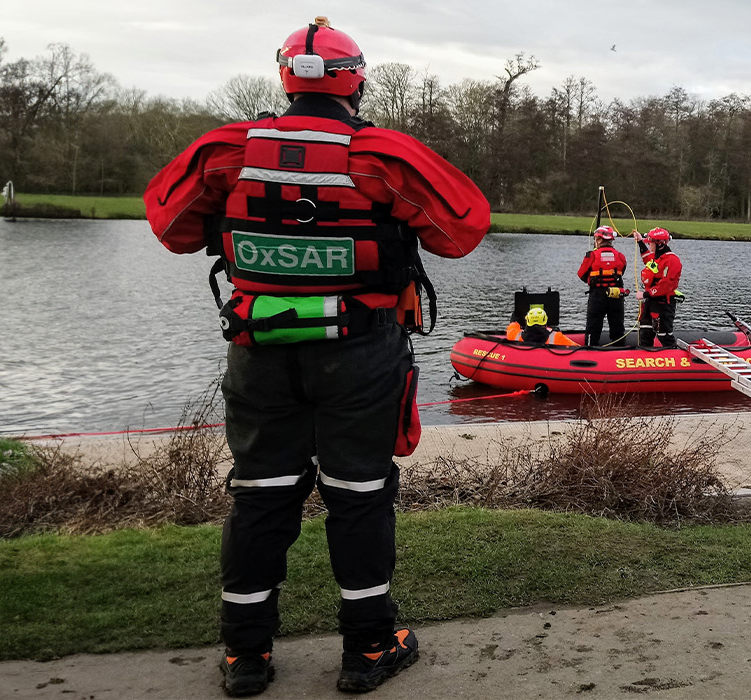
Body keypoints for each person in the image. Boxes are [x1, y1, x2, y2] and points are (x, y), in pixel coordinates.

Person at [142, 18, 490, 697]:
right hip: (359, 352)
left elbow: (174, 228)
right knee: (359, 495)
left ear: (284, 79)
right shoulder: (383, 156)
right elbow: (461, 231)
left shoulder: (225, 151)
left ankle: (245, 655)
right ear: (356, 81)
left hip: (258, 350)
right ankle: (368, 647)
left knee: (260, 494)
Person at [577, 225, 628, 345]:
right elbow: (622, 271)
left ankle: (590, 348)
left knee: (593, 325)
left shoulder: (591, 255)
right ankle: (620, 349)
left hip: (597, 295)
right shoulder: (620, 256)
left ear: (599, 240)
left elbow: (581, 274)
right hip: (616, 295)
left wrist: (593, 280)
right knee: (617, 325)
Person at [633, 227, 682, 347]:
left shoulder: (672, 261)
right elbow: (647, 259)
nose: (649, 245)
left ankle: (672, 353)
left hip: (663, 304)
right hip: (650, 302)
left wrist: (645, 294)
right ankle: (644, 353)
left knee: (664, 335)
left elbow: (665, 285)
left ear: (659, 244)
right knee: (645, 331)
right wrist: (640, 241)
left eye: (650, 243)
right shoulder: (657, 258)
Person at [505, 307, 578, 346]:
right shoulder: (556, 337)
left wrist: (514, 321)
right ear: (545, 321)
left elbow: (512, 328)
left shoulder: (515, 335)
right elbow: (576, 348)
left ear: (527, 321)